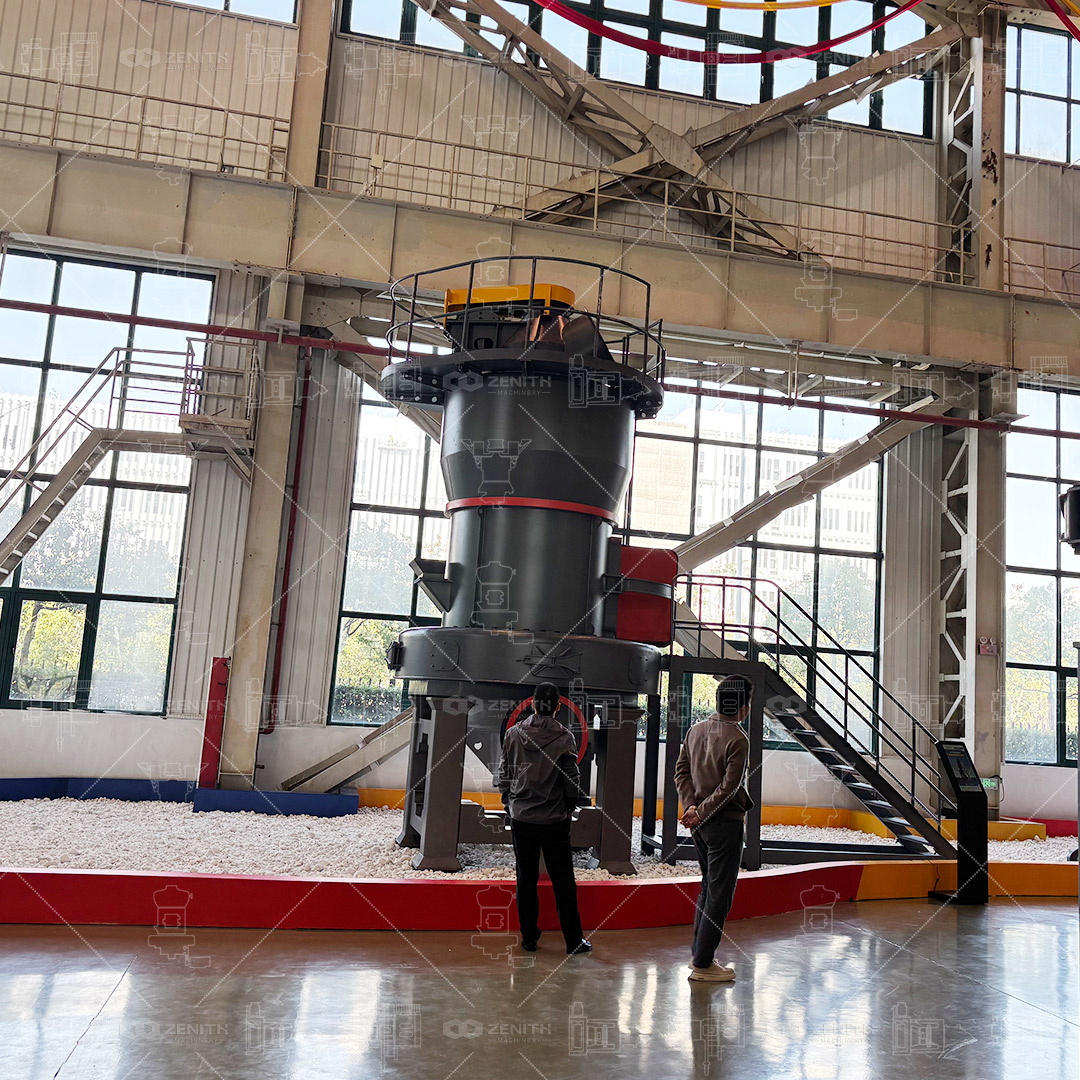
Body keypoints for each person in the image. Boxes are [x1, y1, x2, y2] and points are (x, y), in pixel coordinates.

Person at [497, 682, 592, 955]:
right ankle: (573, 941)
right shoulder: (564, 738)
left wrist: (508, 802)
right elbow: (571, 779)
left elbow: (505, 772)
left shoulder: (513, 734)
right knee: (563, 881)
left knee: (526, 879)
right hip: (554, 821)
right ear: (558, 708)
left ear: (532, 704)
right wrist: (569, 807)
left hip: (522, 818)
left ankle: (529, 939)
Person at [674, 675, 753, 983]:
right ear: (743, 706)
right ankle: (704, 964)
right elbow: (730, 788)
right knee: (720, 894)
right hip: (724, 825)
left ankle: (700, 953)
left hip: (700, 826)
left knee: (708, 886)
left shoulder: (695, 730)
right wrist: (701, 813)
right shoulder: (738, 739)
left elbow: (681, 770)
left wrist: (690, 808)